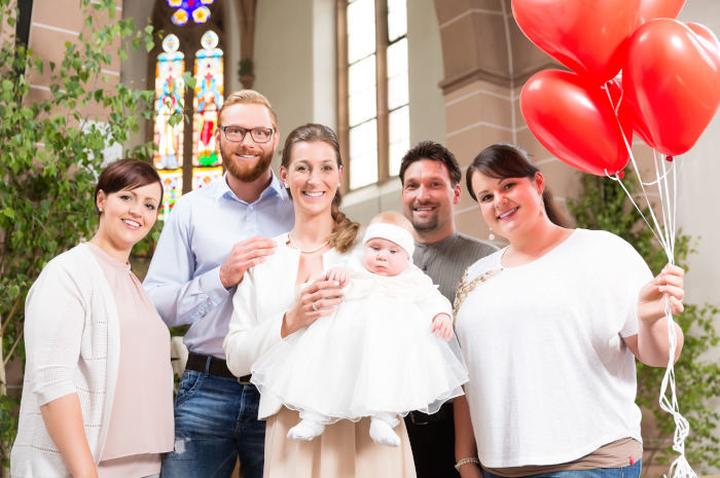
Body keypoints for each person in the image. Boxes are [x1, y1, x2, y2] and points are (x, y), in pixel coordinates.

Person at [453, 143, 686, 478]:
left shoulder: (603, 252)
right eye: (486, 197)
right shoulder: (476, 276)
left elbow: (662, 355)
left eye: (508, 186)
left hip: (589, 463)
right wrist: (466, 461)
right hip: (498, 469)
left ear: (537, 183)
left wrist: (651, 321)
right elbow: (465, 378)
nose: (499, 201)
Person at [225, 123, 417, 477]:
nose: (315, 180)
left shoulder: (373, 250)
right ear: (284, 175)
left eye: (326, 167)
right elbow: (237, 359)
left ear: (340, 175)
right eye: (303, 168)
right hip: (292, 426)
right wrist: (290, 320)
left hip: (367, 425)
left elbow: (411, 323)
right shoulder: (263, 260)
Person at [144, 90, 293, 478]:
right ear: (218, 136)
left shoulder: (300, 208)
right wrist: (220, 278)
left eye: (260, 132)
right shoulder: (190, 209)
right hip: (205, 387)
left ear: (275, 138)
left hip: (280, 387)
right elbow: (155, 302)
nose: (248, 142)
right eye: (235, 131)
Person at [11, 159, 173, 478]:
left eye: (149, 205)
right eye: (126, 197)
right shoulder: (67, 274)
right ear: (101, 200)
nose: (137, 211)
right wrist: (86, 473)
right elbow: (53, 383)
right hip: (89, 469)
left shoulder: (133, 282)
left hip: (145, 467)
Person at [250, 211, 468, 447]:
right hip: (345, 344)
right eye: (375, 248)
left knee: (389, 378)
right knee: (325, 373)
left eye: (393, 251)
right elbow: (319, 288)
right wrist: (334, 275)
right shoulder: (352, 269)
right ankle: (313, 418)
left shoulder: (414, 280)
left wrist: (442, 315)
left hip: (388, 348)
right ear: (364, 248)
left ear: (408, 257)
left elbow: (434, 299)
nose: (382, 256)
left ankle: (383, 420)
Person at [399, 140, 497, 478]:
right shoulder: (381, 261)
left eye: (434, 184)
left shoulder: (487, 261)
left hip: (460, 431)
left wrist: (467, 457)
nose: (422, 195)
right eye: (412, 185)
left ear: (455, 193)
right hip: (394, 426)